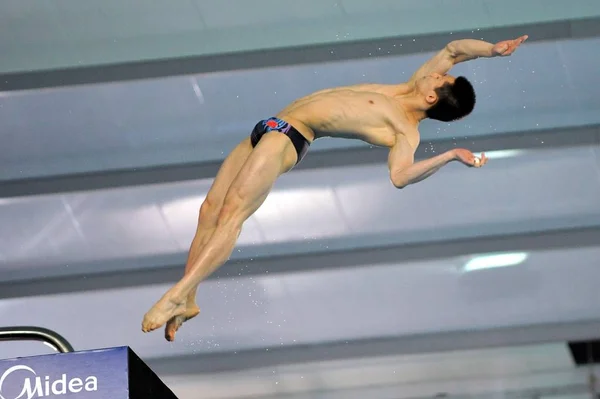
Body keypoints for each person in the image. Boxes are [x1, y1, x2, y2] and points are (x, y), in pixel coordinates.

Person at [142, 35, 528, 341]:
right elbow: (454, 49)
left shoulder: (404, 131)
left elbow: (400, 177)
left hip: (290, 138)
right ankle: (188, 299)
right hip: (270, 125)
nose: (438, 70)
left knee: (231, 215)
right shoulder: (408, 86)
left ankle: (178, 293)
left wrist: (448, 156)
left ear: (432, 97)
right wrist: (493, 51)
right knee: (209, 210)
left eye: (441, 78)